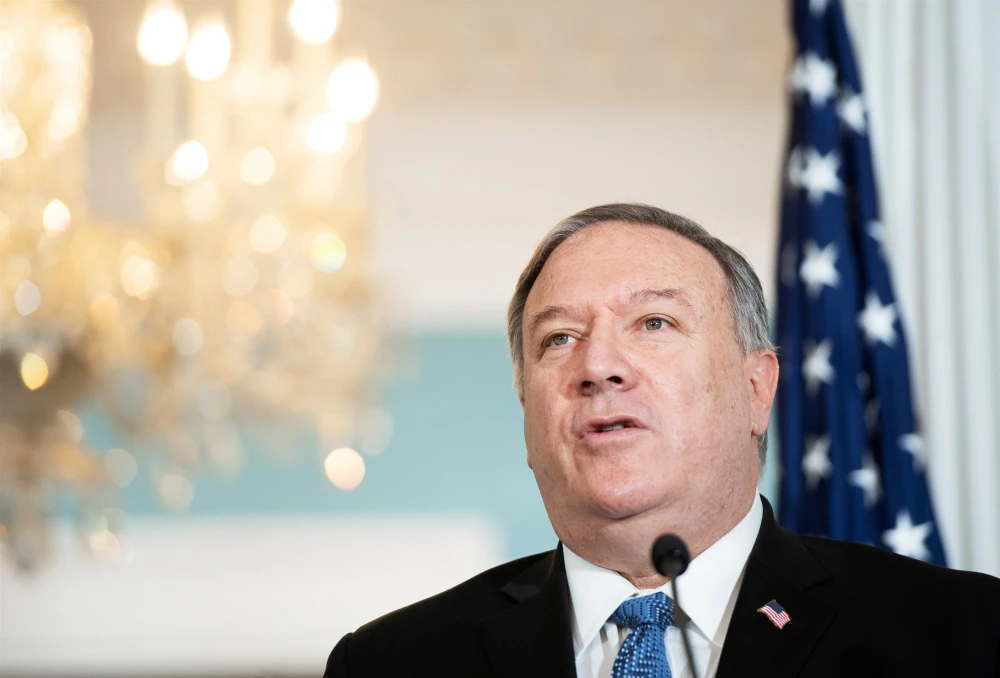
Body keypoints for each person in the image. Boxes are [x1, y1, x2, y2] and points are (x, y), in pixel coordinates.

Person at [324, 204, 1000, 677]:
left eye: (654, 323)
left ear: (756, 389)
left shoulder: (963, 635)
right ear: (527, 413)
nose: (597, 366)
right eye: (559, 338)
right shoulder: (388, 663)